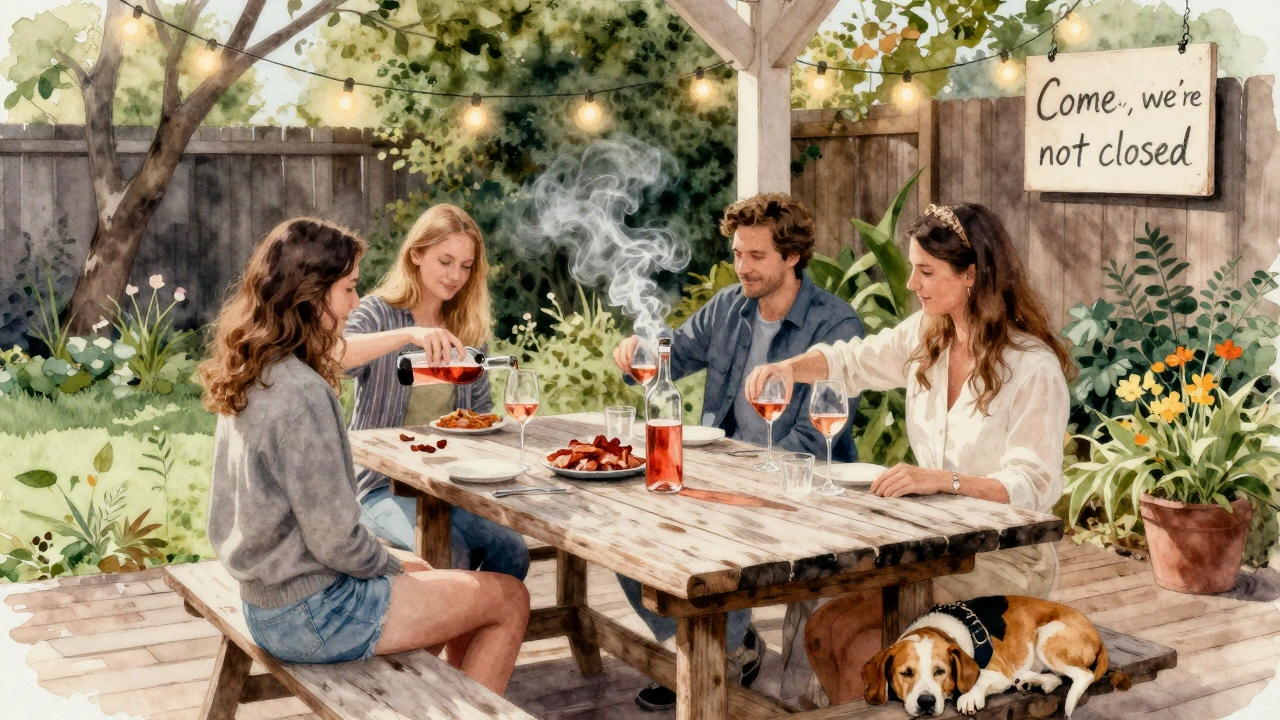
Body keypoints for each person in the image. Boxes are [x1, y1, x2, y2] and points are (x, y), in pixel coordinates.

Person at [744, 202, 1075, 705]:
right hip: (931, 543)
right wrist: (790, 369)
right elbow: (851, 360)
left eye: (926, 271)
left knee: (856, 635)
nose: (911, 283)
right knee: (820, 626)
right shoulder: (928, 335)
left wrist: (943, 480)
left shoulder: (1031, 366)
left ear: (971, 276)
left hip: (1002, 557)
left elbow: (1033, 485)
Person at [201, 218, 529, 691]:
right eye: (349, 289)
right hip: (317, 614)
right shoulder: (303, 394)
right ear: (311, 295)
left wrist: (398, 566)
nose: (356, 302)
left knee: (452, 577)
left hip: (270, 599)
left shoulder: (256, 369)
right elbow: (335, 540)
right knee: (510, 599)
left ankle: (446, 696)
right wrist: (394, 565)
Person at [611, 193, 866, 711]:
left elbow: (819, 441)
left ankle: (719, 655)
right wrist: (639, 352)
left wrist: (741, 477)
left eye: (756, 257)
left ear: (792, 257)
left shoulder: (834, 327)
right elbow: (671, 356)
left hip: (801, 492)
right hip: (724, 479)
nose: (742, 267)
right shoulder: (730, 307)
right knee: (623, 538)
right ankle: (727, 649)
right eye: (737, 254)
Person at [341, 204, 530, 579]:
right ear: (416, 254)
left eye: (465, 266)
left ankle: (477, 637)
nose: (455, 275)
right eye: (445, 261)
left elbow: (480, 415)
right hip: (382, 486)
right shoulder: (378, 313)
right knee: (451, 554)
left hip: (452, 485)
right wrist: (410, 335)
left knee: (512, 552)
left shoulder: (466, 326)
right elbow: (337, 358)